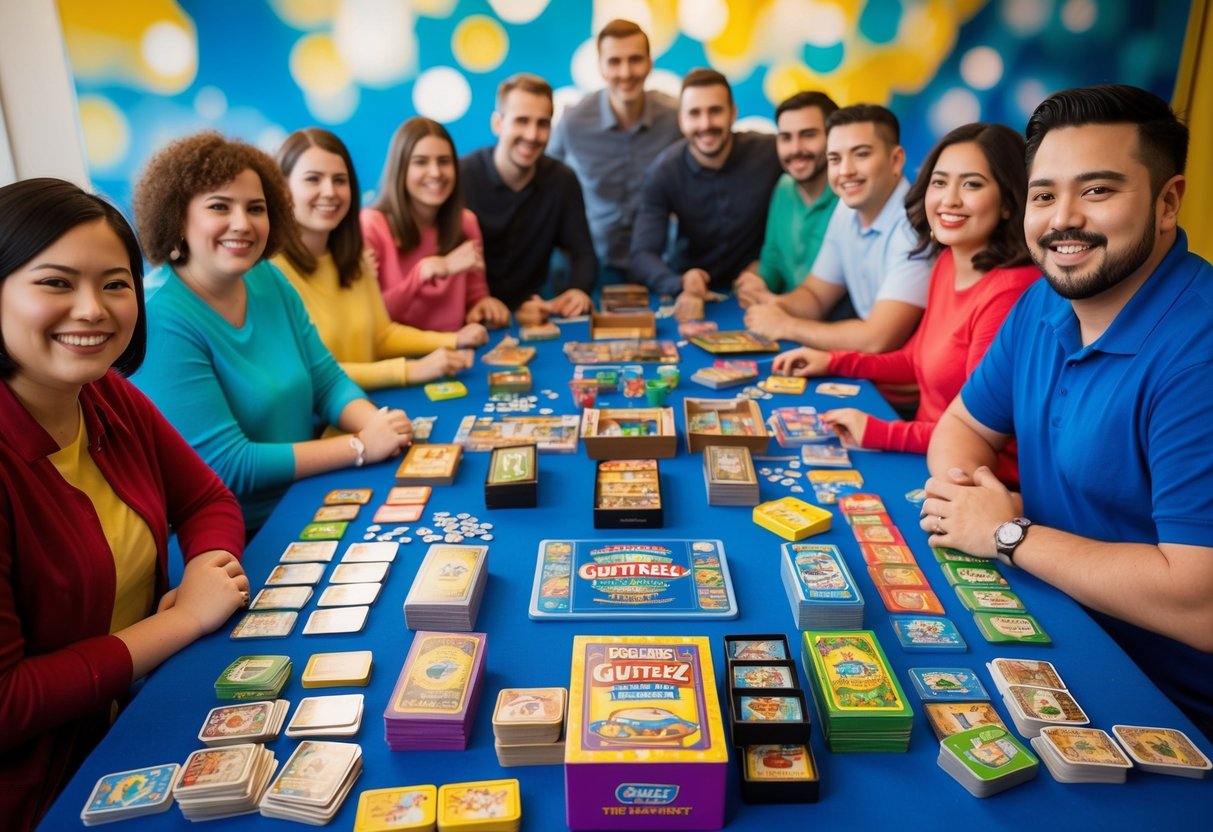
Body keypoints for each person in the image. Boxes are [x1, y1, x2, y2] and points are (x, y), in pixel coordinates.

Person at [920, 85, 1213, 738]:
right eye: (1044, 195)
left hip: (1172, 710)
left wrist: (1007, 534)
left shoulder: (1199, 353)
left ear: (1168, 202)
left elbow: (1200, 605)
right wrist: (972, 503)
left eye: (1098, 190)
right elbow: (963, 425)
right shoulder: (1042, 302)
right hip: (1052, 628)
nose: (1062, 220)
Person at [0, 178, 249, 830]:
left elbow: (207, 498)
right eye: (55, 283)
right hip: (43, 794)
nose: (92, 309)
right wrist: (185, 620)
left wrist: (207, 564)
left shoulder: (106, 394)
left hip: (136, 721)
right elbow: (7, 701)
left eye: (115, 284)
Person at [130, 132, 413, 532]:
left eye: (256, 208)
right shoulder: (158, 316)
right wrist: (361, 445)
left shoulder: (268, 276)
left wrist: (379, 424)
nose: (242, 223)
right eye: (219, 206)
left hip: (311, 494)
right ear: (177, 216)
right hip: (242, 535)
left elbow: (326, 380)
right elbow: (228, 465)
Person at [772, 123, 1038, 481]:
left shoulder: (1011, 293)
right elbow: (915, 360)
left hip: (976, 479)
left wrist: (880, 432)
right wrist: (833, 361)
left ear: (1008, 202)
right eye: (939, 182)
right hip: (924, 452)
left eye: (972, 184)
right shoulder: (947, 261)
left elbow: (977, 435)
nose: (949, 199)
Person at [273, 127, 482, 390]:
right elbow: (309, 374)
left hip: (369, 404)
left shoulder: (356, 258)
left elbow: (382, 336)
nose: (330, 191)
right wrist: (410, 369)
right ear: (283, 189)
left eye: (340, 180)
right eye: (313, 179)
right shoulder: (271, 273)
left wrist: (453, 341)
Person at [744, 104, 930, 353]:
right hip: (863, 363)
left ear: (895, 160)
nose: (845, 171)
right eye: (835, 159)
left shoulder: (914, 230)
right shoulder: (847, 207)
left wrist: (786, 325)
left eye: (861, 154)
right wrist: (774, 304)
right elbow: (816, 296)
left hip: (902, 372)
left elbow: (877, 339)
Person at [629, 68, 782, 311]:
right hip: (694, 297)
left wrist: (766, 267)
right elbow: (642, 254)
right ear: (682, 120)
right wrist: (679, 282)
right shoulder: (663, 171)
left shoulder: (771, 153)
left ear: (733, 113)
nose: (705, 124)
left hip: (760, 292)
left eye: (715, 111)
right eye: (694, 113)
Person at [547, 18, 681, 282]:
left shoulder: (676, 117)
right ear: (601, 67)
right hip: (594, 262)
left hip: (662, 259)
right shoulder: (574, 122)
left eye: (635, 59)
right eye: (614, 61)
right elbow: (544, 180)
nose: (626, 72)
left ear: (650, 63)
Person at [461, 73, 596, 323]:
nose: (532, 135)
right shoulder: (461, 178)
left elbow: (583, 253)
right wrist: (477, 303)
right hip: (468, 316)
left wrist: (578, 289)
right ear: (498, 124)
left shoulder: (562, 180)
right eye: (521, 121)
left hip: (532, 311)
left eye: (542, 123)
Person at [361, 118, 510, 332]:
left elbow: (475, 296)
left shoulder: (466, 222)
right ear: (400, 168)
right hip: (402, 353)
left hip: (457, 347)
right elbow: (372, 320)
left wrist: (484, 306)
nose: (436, 172)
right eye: (421, 162)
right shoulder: (371, 225)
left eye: (444, 161)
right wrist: (422, 274)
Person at [735, 91, 841, 308]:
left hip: (833, 324)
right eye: (786, 137)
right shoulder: (784, 187)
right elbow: (772, 264)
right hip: (784, 316)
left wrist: (773, 302)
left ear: (835, 137)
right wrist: (755, 282)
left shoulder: (851, 199)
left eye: (808, 135)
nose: (796, 149)